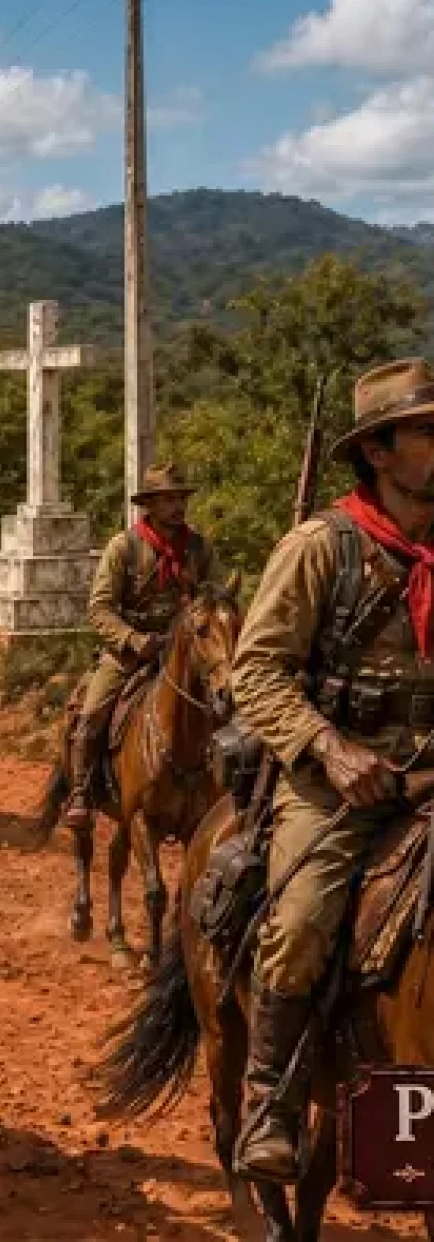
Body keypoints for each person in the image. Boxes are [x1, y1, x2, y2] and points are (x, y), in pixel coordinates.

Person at [229, 358, 434, 1183]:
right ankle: (270, 1107)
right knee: (304, 921)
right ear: (379, 452)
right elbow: (256, 672)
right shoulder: (322, 547)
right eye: (427, 431)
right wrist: (329, 749)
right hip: (342, 778)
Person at [64, 462, 217, 830]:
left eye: (181, 498)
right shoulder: (124, 547)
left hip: (184, 650)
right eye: (168, 499)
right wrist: (134, 640)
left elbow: (215, 597)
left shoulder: (199, 548)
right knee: (91, 712)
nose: (178, 506)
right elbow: (99, 608)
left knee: (230, 706)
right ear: (150, 504)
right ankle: (82, 791)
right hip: (130, 653)